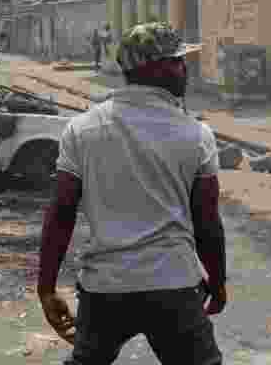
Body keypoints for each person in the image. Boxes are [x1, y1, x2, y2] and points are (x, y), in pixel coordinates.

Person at [37, 22, 226, 365]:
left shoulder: (82, 130)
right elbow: (208, 221)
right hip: (174, 286)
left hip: (105, 289)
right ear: (158, 68)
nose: (185, 69)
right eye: (179, 61)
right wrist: (219, 281)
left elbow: (61, 212)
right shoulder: (196, 135)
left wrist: (46, 288)